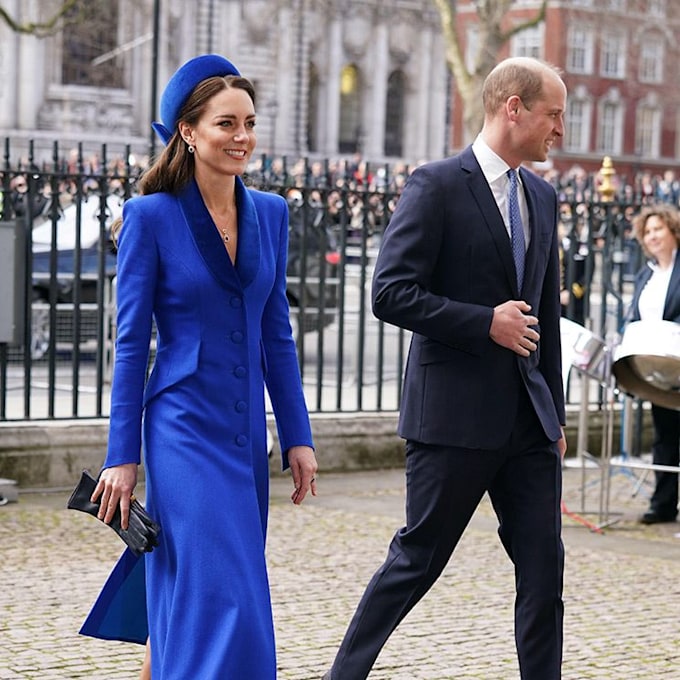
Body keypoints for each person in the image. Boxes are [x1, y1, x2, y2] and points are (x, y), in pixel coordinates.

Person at [323, 56, 567, 680]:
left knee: (544, 572)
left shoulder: (542, 195)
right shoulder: (434, 185)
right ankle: (342, 675)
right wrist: (483, 321)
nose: (559, 130)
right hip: (453, 421)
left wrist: (555, 415)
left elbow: (545, 317)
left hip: (528, 426)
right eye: (553, 114)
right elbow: (389, 292)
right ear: (513, 107)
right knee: (417, 561)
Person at [82, 54, 318, 679]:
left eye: (249, 122)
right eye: (225, 124)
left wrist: (298, 435)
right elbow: (130, 344)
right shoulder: (150, 217)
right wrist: (121, 457)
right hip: (181, 429)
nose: (242, 137)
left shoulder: (270, 212)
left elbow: (277, 334)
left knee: (200, 592)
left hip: (244, 443)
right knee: (228, 597)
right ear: (187, 132)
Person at [626, 204, 680, 524]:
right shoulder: (646, 274)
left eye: (658, 229)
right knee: (664, 435)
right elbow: (635, 316)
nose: (653, 236)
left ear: (673, 230)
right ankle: (663, 504)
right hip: (661, 369)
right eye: (648, 232)